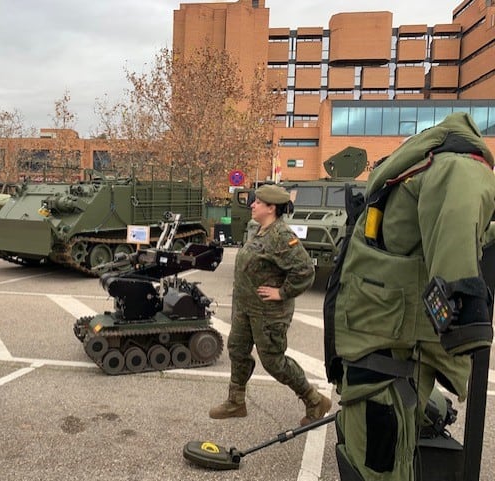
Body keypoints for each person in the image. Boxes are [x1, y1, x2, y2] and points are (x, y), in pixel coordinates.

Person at [326, 112, 495, 480]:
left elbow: (456, 224)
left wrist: (463, 307)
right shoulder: (454, 166)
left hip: (380, 347)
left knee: (375, 458)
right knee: (375, 459)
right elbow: (459, 225)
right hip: (383, 350)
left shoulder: (433, 167)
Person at [209, 184, 332, 426]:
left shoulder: (281, 236)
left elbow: (305, 271)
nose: (252, 205)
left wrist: (282, 292)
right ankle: (236, 402)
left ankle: (314, 400)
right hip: (246, 308)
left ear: (271, 208)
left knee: (274, 361)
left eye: (258, 202)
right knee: (237, 350)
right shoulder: (259, 229)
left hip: (269, 313)